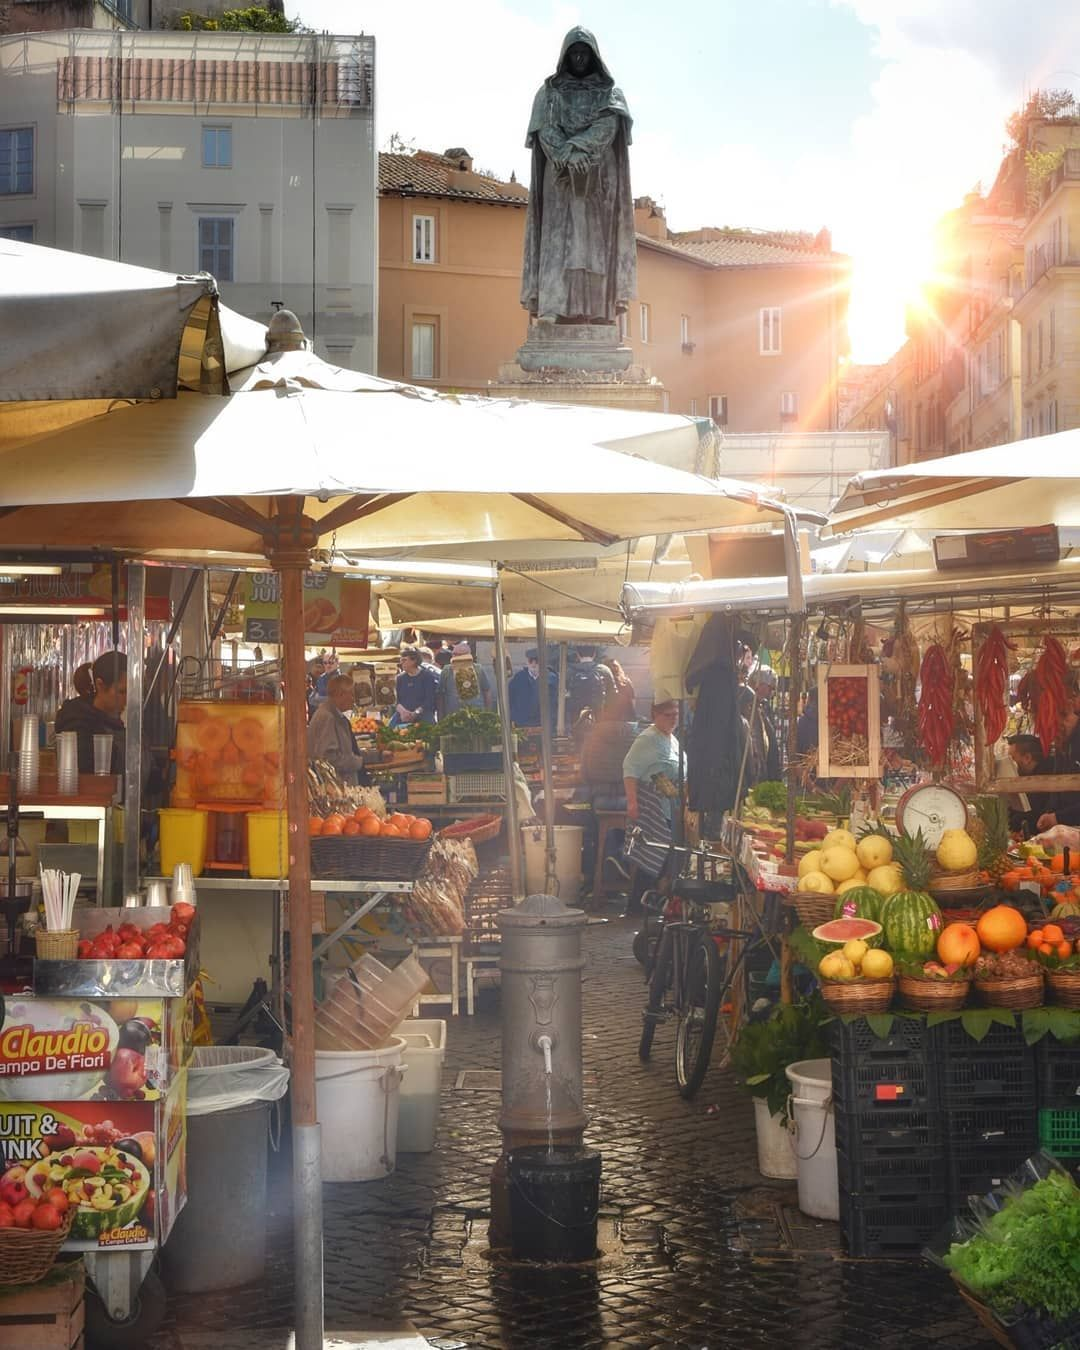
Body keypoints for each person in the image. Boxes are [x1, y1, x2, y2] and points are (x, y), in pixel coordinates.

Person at [521, 27, 636, 324]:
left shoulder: (611, 95)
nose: (580, 57)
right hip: (559, 176)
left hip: (598, 175)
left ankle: (598, 310)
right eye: (575, 52)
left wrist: (577, 148)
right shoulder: (548, 94)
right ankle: (554, 307)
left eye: (585, 52)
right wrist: (565, 155)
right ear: (565, 56)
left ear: (595, 56)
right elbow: (544, 129)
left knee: (595, 245)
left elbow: (608, 127)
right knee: (557, 242)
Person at [607, 700, 684, 912]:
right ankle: (638, 904)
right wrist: (632, 802)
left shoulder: (672, 739)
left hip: (670, 804)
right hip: (652, 804)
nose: (673, 718)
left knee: (664, 853)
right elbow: (630, 768)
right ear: (655, 716)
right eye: (668, 715)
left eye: (676, 714)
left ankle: (650, 901)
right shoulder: (647, 739)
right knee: (652, 852)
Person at [55, 650, 128, 776]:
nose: (127, 699)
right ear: (100, 685)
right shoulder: (77, 724)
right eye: (121, 692)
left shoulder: (115, 722)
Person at [307, 674, 377, 785]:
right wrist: (358, 762)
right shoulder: (327, 717)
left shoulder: (335, 715)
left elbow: (346, 752)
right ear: (341, 694)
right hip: (336, 789)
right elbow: (329, 758)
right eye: (352, 695)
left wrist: (377, 756)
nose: (353, 699)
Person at [1007, 733, 1054, 835]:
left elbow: (1033, 813)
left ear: (1027, 758)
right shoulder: (1026, 777)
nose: (1010, 765)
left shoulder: (1045, 778)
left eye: (1012, 759)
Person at [440, 640, 493, 717]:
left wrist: (488, 713)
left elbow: (487, 691)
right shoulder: (447, 670)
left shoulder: (478, 669)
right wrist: (440, 716)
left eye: (458, 655)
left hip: (476, 714)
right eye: (454, 654)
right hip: (453, 715)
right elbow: (440, 694)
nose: (455, 657)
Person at [567, 645, 615, 726]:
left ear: (578, 654)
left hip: (575, 713)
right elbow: (613, 692)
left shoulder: (570, 671)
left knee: (576, 732)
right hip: (598, 713)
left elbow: (563, 692)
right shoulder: (604, 669)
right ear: (594, 654)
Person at [508, 649, 556, 727]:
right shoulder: (519, 678)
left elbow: (555, 702)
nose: (533, 665)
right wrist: (513, 718)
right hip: (522, 724)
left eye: (537, 661)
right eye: (530, 661)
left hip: (543, 724)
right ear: (527, 662)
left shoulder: (551, 679)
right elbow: (510, 698)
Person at [392, 647, 438, 727]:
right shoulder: (400, 678)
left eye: (404, 660)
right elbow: (395, 700)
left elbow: (429, 700)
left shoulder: (427, 677)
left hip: (423, 714)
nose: (401, 663)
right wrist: (403, 712)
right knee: (390, 729)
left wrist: (415, 713)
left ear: (414, 661)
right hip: (403, 715)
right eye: (401, 660)